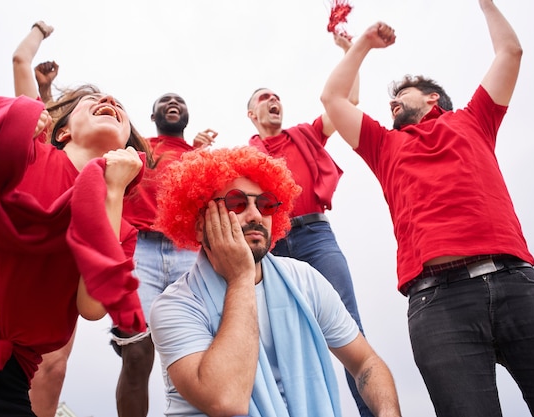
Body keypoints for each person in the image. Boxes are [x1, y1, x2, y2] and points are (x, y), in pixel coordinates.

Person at [320, 2, 534, 416]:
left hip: (517, 283)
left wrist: (486, 3)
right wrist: (362, 43)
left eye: (402, 93)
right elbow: (332, 97)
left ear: (433, 98)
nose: (393, 101)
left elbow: (510, 53)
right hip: (438, 304)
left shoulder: (475, 120)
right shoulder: (384, 145)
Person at [0, 52, 150, 417]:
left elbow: (92, 307)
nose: (110, 102)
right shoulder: (23, 155)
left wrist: (113, 192)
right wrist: (8, 126)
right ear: (63, 130)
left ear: (126, 151)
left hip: (12, 379)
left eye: (120, 108)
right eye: (94, 101)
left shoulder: (121, 226)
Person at [149, 146, 402, 417]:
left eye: (266, 204)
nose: (256, 215)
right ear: (200, 225)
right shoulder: (174, 306)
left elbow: (365, 362)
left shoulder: (304, 280)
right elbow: (226, 400)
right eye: (236, 203)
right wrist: (241, 277)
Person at [246, 33, 373, 417]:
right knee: (277, 336)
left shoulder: (305, 134)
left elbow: (347, 102)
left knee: (349, 326)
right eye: (264, 98)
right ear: (251, 114)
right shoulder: (246, 155)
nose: (273, 101)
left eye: (277, 97)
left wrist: (349, 52)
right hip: (272, 243)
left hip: (316, 236)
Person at [112, 92, 216, 417]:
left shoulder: (200, 157)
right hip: (138, 247)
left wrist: (200, 154)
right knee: (137, 350)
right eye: (165, 100)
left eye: (180, 101)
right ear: (153, 114)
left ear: (187, 115)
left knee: (195, 349)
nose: (173, 103)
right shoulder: (138, 145)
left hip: (187, 250)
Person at [12, 21, 75, 417]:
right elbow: (20, 59)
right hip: (12, 261)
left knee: (52, 366)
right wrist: (39, 29)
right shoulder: (32, 141)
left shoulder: (98, 183)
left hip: (54, 277)